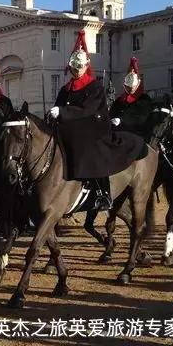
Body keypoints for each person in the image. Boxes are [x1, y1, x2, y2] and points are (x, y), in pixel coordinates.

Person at [48, 30, 144, 211]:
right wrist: (52, 115)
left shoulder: (95, 87)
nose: (76, 70)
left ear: (86, 66)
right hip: (69, 127)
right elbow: (58, 107)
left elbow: (88, 110)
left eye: (80, 67)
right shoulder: (65, 89)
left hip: (92, 127)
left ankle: (102, 191)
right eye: (74, 67)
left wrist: (63, 112)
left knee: (90, 147)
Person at [109, 57, 154, 137]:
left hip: (137, 135)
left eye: (132, 87)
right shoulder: (119, 101)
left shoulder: (144, 99)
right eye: (128, 86)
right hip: (119, 134)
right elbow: (111, 114)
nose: (130, 89)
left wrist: (121, 120)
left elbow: (141, 117)